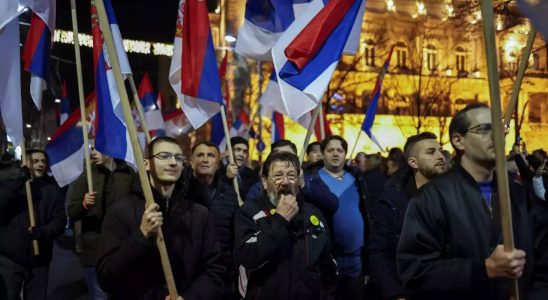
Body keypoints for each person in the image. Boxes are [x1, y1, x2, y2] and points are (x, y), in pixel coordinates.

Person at [397, 103, 548, 299]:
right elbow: (415, 273)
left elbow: (544, 262)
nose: (496, 136)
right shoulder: (431, 198)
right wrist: (481, 270)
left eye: (498, 128)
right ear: (459, 141)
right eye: (485, 129)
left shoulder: (520, 194)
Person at [96, 137, 225, 299]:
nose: (173, 162)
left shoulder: (199, 214)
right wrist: (141, 235)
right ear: (146, 164)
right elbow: (105, 277)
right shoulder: (120, 211)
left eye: (178, 158)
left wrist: (189, 298)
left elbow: (215, 271)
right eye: (164, 156)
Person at [234, 151, 337, 300]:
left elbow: (328, 267)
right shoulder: (249, 212)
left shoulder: (313, 213)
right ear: (264, 181)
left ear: (299, 181)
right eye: (277, 176)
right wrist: (280, 219)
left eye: (291, 175)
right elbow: (247, 257)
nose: (285, 182)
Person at [368, 132, 447, 300]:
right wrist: (395, 294)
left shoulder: (457, 194)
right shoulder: (391, 199)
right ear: (413, 162)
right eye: (431, 152)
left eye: (440, 150)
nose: (440, 156)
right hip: (407, 290)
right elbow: (379, 252)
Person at [301, 135, 369, 299]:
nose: (335, 154)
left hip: (356, 259)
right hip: (328, 259)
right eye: (330, 150)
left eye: (340, 150)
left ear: (345, 153)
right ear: (323, 153)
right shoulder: (311, 180)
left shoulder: (357, 178)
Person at [67, 147, 134, 300]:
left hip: (122, 247)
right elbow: (71, 211)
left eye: (99, 150)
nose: (94, 153)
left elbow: (138, 204)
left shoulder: (128, 173)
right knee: (99, 295)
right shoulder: (88, 174)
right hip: (94, 248)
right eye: (93, 150)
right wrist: (84, 204)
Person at [0, 150, 65, 300]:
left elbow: (59, 221)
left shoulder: (52, 191)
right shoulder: (10, 184)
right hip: (10, 258)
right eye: (35, 161)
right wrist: (19, 180)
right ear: (25, 163)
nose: (40, 164)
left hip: (39, 260)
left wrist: (43, 232)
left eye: (43, 161)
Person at [184, 142, 239, 295]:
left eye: (211, 155)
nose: (205, 159)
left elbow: (234, 235)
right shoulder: (180, 192)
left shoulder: (229, 194)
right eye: (200, 155)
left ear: (218, 164)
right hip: (188, 276)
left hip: (222, 274)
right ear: (191, 162)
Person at [224, 136, 260, 201]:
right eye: (238, 150)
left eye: (245, 151)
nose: (241, 154)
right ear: (227, 152)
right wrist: (227, 178)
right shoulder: (217, 173)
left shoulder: (253, 175)